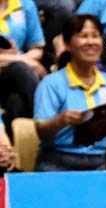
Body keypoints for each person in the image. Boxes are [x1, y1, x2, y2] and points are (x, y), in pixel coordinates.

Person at [33, 15, 106, 171]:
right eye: (83, 36)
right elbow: (42, 132)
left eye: (95, 36)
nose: (91, 42)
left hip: (99, 163)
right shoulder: (51, 83)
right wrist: (61, 120)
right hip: (57, 163)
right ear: (68, 44)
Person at [0, 0, 45, 128]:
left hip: (15, 77)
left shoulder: (25, 4)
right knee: (20, 70)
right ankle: (45, 124)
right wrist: (21, 59)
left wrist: (21, 58)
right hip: (18, 70)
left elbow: (37, 49)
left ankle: (17, 145)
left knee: (15, 101)